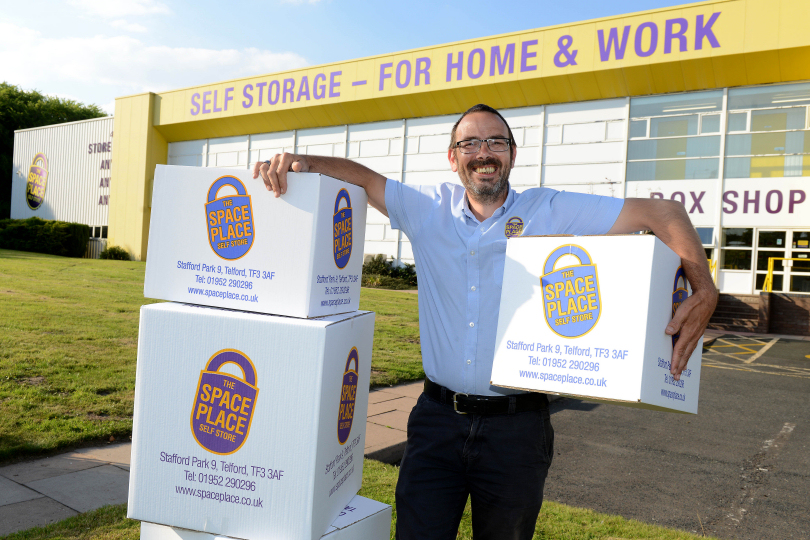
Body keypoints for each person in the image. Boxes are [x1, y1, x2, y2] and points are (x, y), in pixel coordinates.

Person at [253, 104, 718, 540]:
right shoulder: (425, 207)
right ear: (453, 158)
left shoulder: (550, 210)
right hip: (437, 422)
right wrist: (299, 162)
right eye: (470, 144)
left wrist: (704, 287)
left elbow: (664, 213)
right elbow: (364, 178)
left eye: (496, 142)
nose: (484, 153)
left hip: (517, 431)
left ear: (512, 155)